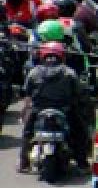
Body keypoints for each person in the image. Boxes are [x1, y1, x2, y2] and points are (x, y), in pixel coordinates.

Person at [17, 41, 90, 174]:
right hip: (65, 110)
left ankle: (23, 164)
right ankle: (82, 164)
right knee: (80, 132)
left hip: (38, 110)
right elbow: (78, 92)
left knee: (27, 133)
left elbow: (27, 91)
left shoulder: (34, 72)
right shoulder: (69, 72)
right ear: (61, 55)